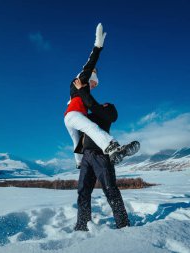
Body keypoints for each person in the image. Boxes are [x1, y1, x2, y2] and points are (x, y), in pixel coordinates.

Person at [64, 23, 139, 168]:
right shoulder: (81, 80)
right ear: (90, 78)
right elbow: (90, 64)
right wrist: (98, 46)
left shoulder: (81, 89)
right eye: (94, 83)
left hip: (70, 117)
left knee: (77, 140)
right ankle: (111, 146)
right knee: (91, 128)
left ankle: (79, 163)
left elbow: (90, 102)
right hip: (73, 114)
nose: (94, 86)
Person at [73, 102, 131, 231]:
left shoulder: (107, 114)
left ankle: (123, 225)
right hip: (86, 155)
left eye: (104, 105)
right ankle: (82, 225)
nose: (101, 105)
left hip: (101, 154)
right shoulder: (88, 118)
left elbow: (107, 112)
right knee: (83, 191)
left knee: (110, 189)